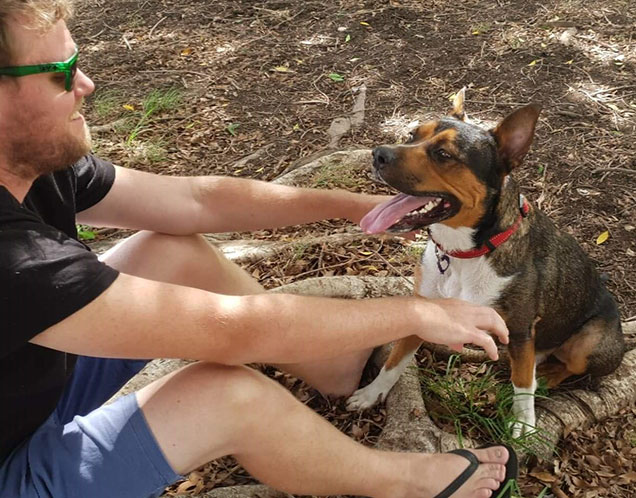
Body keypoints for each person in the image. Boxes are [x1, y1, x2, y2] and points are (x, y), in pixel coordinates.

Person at [0, 2, 513, 497]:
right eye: (62, 72)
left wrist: (352, 205)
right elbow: (235, 331)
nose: (86, 84)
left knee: (170, 252)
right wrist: (416, 313)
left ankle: (336, 365)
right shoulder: (13, 257)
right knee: (228, 397)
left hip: (32, 386)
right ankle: (407, 483)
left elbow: (196, 201)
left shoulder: (32, 161)